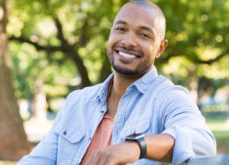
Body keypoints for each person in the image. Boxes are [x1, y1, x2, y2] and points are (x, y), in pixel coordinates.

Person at [17, 0, 216, 164]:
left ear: (160, 48)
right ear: (111, 34)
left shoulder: (169, 98)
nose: (129, 41)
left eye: (144, 34)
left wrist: (137, 147)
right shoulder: (77, 102)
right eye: (121, 29)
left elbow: (203, 144)